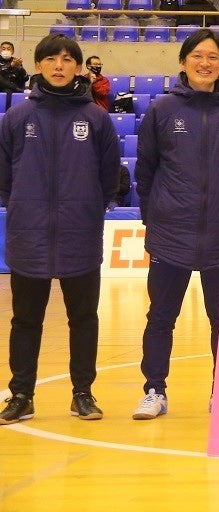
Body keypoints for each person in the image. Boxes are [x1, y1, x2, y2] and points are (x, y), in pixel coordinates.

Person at [131, 29, 219, 420]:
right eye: (197, 56)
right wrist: (154, 220)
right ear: (184, 62)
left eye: (213, 57)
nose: (205, 63)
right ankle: (154, 390)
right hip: (171, 233)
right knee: (161, 317)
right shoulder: (162, 109)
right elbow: (146, 170)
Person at [0, 33, 120, 425]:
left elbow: (109, 177)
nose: (59, 65)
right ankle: (21, 395)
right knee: (25, 320)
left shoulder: (96, 119)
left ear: (78, 68)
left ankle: (83, 393)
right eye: (51, 58)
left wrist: (88, 210)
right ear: (38, 65)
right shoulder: (17, 118)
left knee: (83, 318)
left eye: (68, 59)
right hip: (29, 235)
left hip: (79, 234)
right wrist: (24, 207)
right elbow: (5, 178)